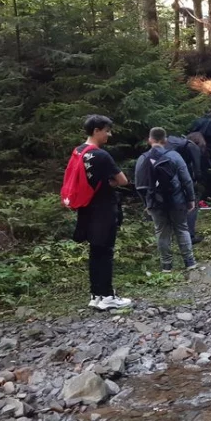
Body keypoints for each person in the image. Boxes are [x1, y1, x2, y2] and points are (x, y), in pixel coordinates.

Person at [71, 115, 132, 311]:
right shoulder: (101, 155)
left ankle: (95, 295)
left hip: (86, 208)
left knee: (95, 251)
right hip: (104, 209)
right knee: (105, 252)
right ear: (96, 130)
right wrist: (110, 183)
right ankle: (107, 296)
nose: (109, 134)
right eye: (107, 130)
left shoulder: (79, 151)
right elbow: (122, 180)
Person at [135, 128, 199, 273]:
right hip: (176, 199)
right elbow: (187, 180)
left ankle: (166, 266)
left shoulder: (142, 158)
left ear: (149, 140)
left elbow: (139, 185)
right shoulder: (174, 156)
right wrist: (191, 199)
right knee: (182, 228)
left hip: (155, 202)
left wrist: (146, 204)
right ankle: (189, 262)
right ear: (165, 140)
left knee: (162, 232)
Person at [166, 133, 205, 243]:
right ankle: (190, 236)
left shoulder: (173, 143)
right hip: (179, 180)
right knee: (193, 204)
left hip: (165, 180)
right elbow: (197, 171)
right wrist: (198, 183)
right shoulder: (192, 147)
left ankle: (171, 235)